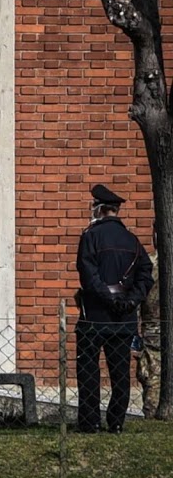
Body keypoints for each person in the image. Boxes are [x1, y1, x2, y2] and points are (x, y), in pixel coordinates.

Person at [75, 184, 154, 434]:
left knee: (88, 367)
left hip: (95, 314)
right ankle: (117, 421)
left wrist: (108, 299)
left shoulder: (90, 236)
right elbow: (145, 275)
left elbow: (88, 276)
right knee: (120, 370)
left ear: (99, 208)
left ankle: (90, 421)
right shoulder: (132, 240)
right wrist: (131, 300)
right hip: (124, 316)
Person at [136, 225, 160, 419]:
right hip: (154, 328)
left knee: (152, 379)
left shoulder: (149, 264)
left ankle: (152, 417)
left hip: (153, 330)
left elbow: (137, 299)